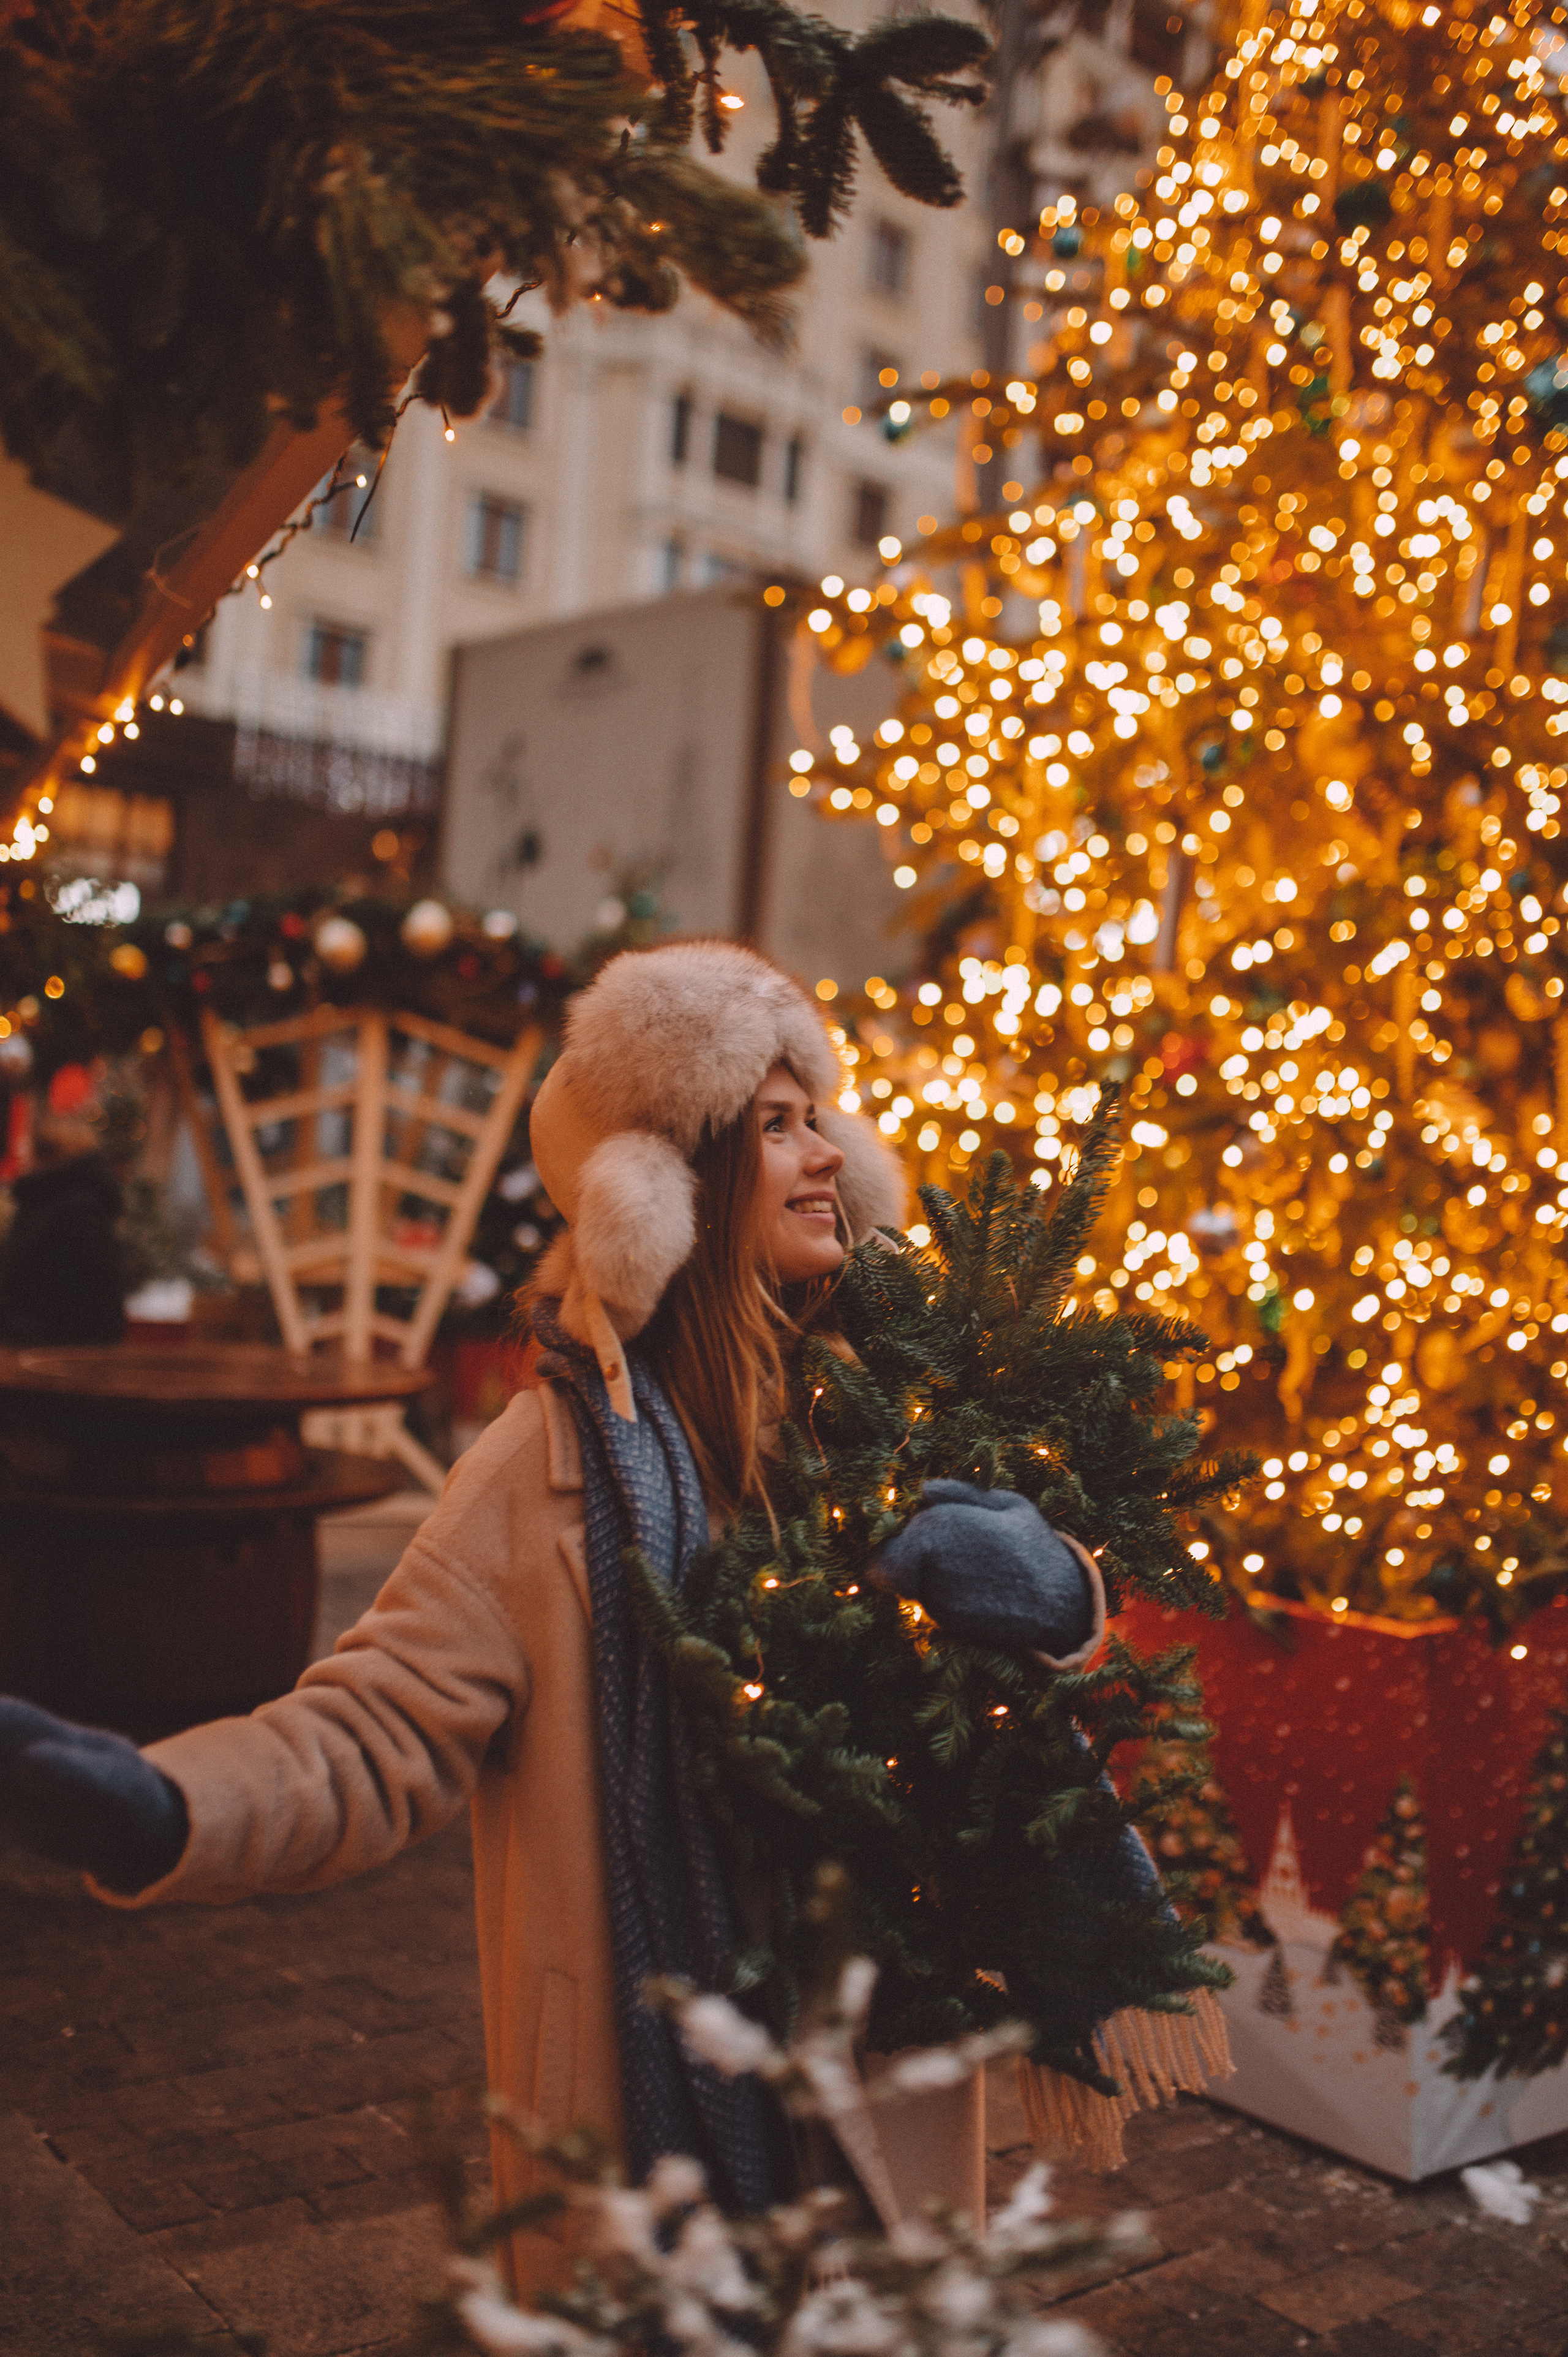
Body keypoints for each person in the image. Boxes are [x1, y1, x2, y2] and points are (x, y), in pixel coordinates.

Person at [0, 943, 1102, 2292]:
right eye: (773, 1125)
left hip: (880, 2065)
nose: (823, 1153)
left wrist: (1058, 1597)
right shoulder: (542, 1472)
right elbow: (368, 1733)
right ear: (663, 1183)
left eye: (818, 1117)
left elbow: (1025, 1713)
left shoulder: (877, 1423)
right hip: (655, 2109)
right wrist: (165, 1805)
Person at [0, 1103, 127, 1347]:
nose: (22, 1150)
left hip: (55, 1361)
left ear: (49, 1153)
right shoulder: (42, 1202)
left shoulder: (78, 1212)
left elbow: (96, 1307)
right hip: (33, 1352)